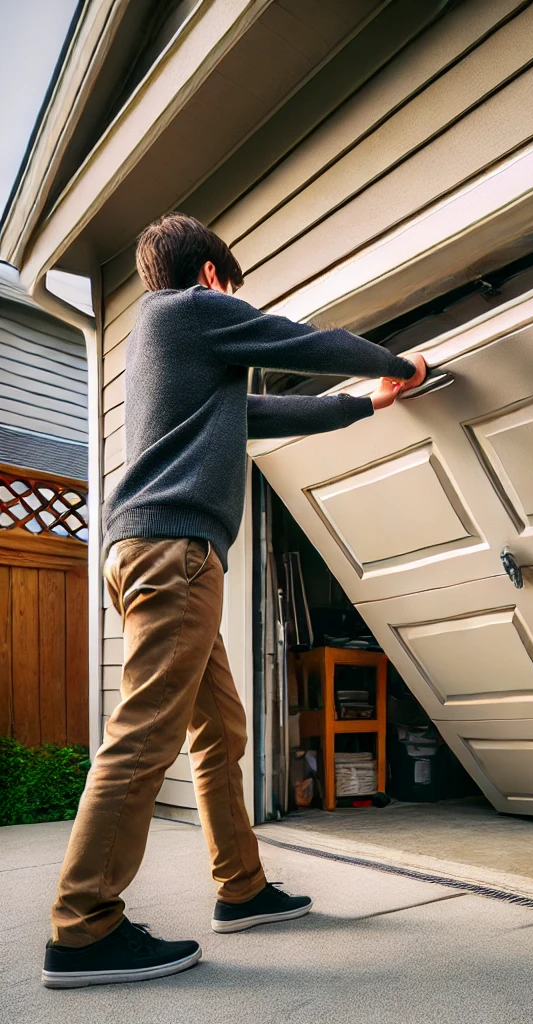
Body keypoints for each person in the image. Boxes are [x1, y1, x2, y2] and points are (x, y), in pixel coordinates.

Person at [42, 213, 427, 989]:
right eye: (234, 290)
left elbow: (263, 414)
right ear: (213, 276)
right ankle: (83, 927)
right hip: (176, 554)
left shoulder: (164, 347)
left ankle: (242, 889)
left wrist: (368, 405)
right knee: (144, 736)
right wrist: (400, 365)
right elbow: (310, 340)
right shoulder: (193, 311)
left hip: (150, 551)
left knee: (219, 732)